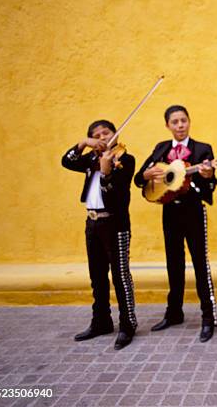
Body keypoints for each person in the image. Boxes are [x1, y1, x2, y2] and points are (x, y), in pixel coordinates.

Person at [134, 105, 217, 342]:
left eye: (183, 120)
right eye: (175, 122)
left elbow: (210, 184)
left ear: (189, 122)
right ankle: (174, 313)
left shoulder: (202, 149)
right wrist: (147, 176)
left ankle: (208, 317)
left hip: (193, 212)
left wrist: (208, 175)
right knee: (173, 263)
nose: (180, 125)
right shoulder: (161, 149)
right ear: (168, 126)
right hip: (169, 212)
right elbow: (140, 179)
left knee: (200, 264)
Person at [61, 120, 137, 350]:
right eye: (96, 135)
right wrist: (83, 142)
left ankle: (128, 324)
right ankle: (101, 321)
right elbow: (66, 161)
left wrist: (106, 174)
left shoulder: (125, 160)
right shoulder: (90, 159)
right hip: (92, 223)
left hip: (115, 224)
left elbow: (120, 196)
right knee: (97, 276)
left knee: (120, 276)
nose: (102, 137)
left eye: (107, 133)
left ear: (115, 135)